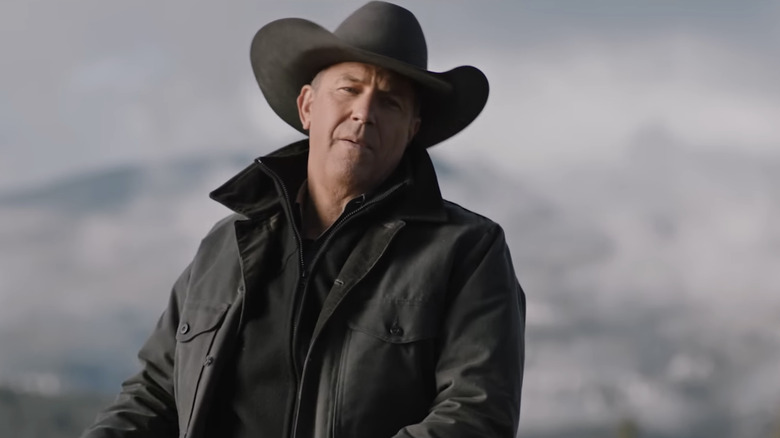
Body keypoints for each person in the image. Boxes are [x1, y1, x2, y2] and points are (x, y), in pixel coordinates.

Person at [81, 2, 526, 438]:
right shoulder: (225, 245)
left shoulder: (468, 251)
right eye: (349, 89)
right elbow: (156, 392)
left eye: (389, 102)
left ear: (412, 129)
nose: (364, 113)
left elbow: (473, 415)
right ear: (308, 106)